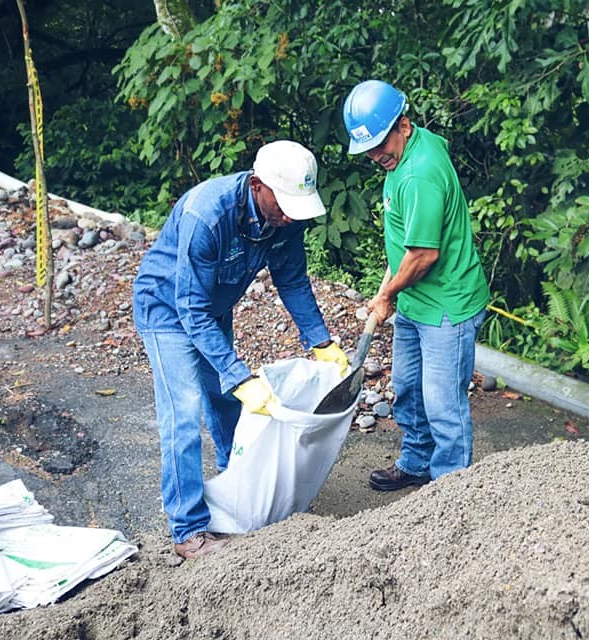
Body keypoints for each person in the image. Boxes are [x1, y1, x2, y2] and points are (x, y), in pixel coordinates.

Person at [132, 140, 349, 559]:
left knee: (225, 403)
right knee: (183, 412)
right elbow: (189, 307)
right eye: (283, 205)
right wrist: (238, 373)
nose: (290, 215)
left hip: (213, 307)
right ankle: (188, 530)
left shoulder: (286, 218)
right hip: (167, 309)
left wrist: (321, 341)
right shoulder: (206, 214)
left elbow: (293, 280)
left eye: (297, 208)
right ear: (257, 186)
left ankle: (237, 491)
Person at [342, 80, 490, 491]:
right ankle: (417, 462)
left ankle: (450, 490)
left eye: (379, 145)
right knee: (407, 387)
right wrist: (387, 289)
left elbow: (425, 255)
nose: (375, 156)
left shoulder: (420, 173)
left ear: (403, 125)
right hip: (415, 297)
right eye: (368, 149)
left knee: (444, 403)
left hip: (448, 303)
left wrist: (386, 295)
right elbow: (408, 244)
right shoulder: (410, 149)